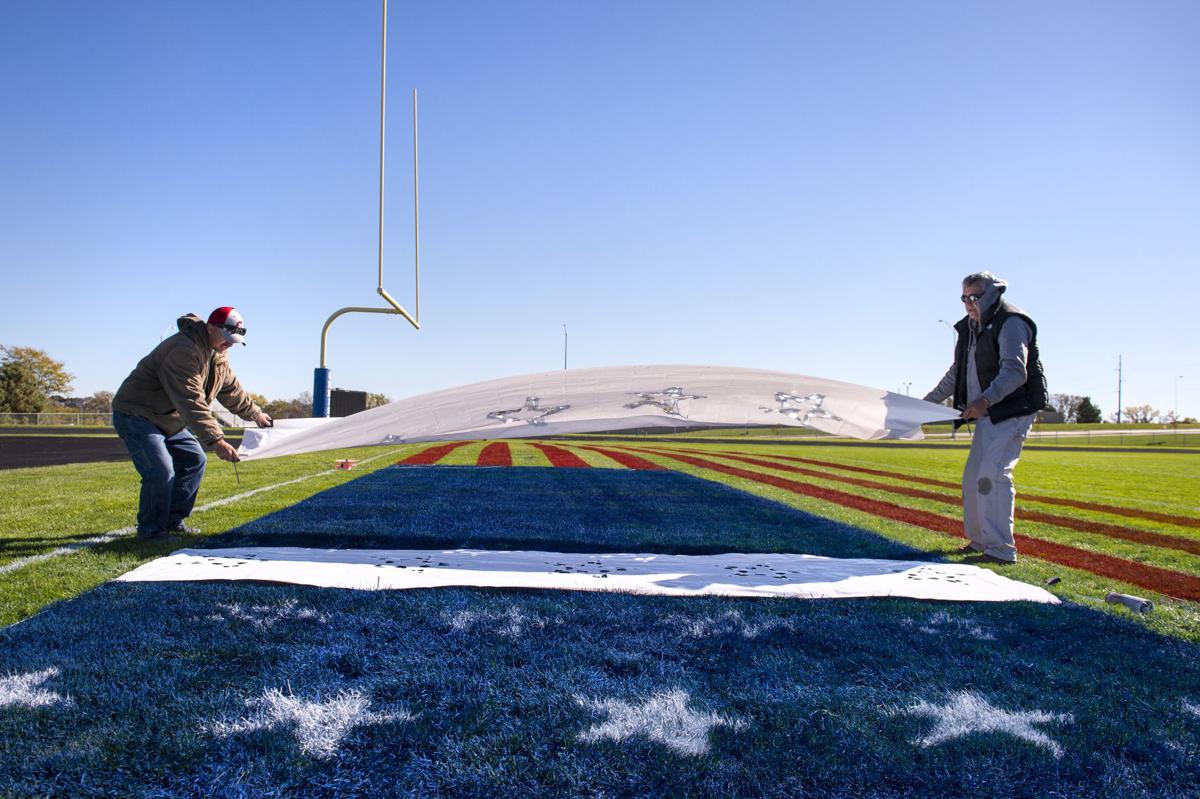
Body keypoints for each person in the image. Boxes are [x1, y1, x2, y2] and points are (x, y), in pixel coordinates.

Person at [111, 307, 272, 540]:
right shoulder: (182, 350)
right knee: (160, 470)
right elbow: (191, 400)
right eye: (227, 338)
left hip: (168, 418)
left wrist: (256, 414)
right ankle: (151, 532)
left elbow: (231, 390)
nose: (230, 344)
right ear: (210, 328)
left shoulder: (217, 354)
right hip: (138, 414)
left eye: (234, 341)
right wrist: (216, 440)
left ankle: (172, 521)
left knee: (194, 460)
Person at [924, 273, 1048, 563]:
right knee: (973, 478)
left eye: (974, 296)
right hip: (989, 413)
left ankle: (1001, 550)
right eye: (964, 298)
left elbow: (1016, 372)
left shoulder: (1011, 322)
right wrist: (925, 406)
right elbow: (956, 374)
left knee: (992, 475)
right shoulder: (971, 327)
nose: (968, 303)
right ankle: (980, 540)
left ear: (992, 293)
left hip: (1012, 410)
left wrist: (984, 400)